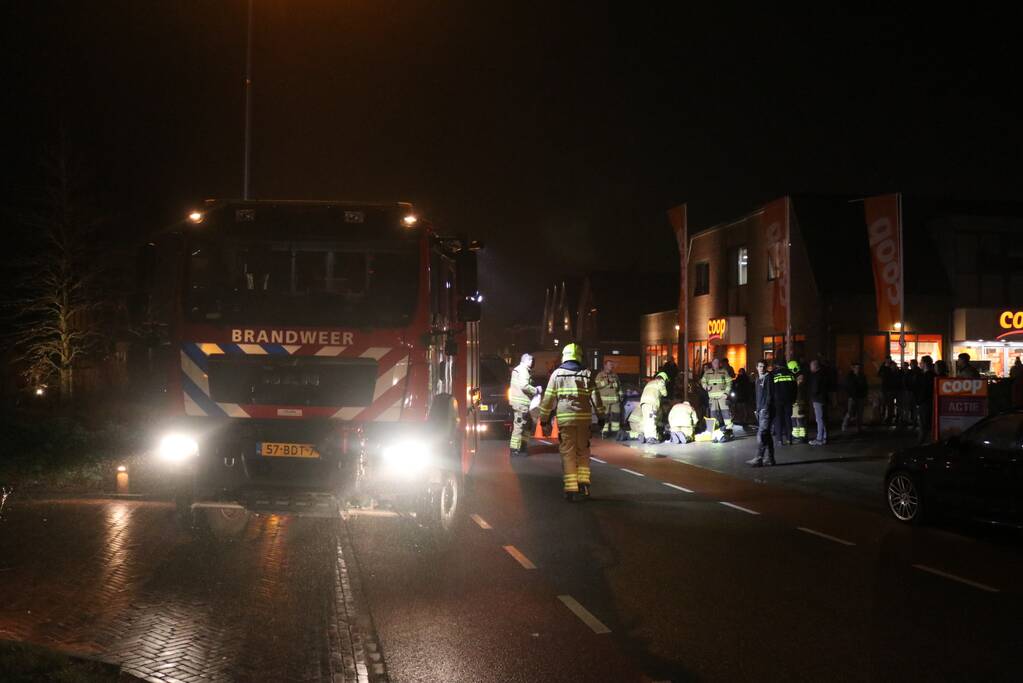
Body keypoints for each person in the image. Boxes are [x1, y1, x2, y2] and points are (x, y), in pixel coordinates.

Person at [539, 343, 603, 502]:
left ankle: (571, 489)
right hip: (584, 421)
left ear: (564, 356)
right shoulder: (587, 374)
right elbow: (596, 398)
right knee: (583, 452)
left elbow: (548, 399)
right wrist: (601, 416)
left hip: (566, 420)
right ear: (579, 357)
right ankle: (584, 485)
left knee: (568, 453)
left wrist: (544, 419)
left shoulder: (557, 374)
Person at [508, 353, 539, 456]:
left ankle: (522, 446)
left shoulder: (519, 369)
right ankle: (515, 449)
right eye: (531, 361)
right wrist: (536, 390)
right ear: (527, 361)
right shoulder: (523, 370)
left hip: (520, 404)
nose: (533, 363)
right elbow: (524, 386)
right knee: (519, 426)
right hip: (521, 404)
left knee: (527, 425)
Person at [749, 360, 777, 467]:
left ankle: (759, 458)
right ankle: (770, 459)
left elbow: (769, 395)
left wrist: (765, 408)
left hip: (766, 410)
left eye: (763, 366)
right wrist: (757, 409)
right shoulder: (758, 379)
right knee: (767, 434)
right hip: (761, 410)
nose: (762, 368)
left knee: (762, 434)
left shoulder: (768, 378)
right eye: (760, 366)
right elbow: (758, 395)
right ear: (756, 367)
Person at [701, 357, 734, 442]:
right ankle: (715, 433)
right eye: (714, 363)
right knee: (713, 415)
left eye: (717, 363)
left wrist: (726, 393)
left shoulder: (724, 372)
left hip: (722, 397)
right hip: (712, 398)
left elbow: (729, 382)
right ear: (712, 364)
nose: (716, 364)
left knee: (726, 414)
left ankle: (729, 431)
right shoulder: (707, 373)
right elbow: (703, 381)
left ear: (719, 364)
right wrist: (706, 387)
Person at [636, 371, 669, 444]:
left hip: (644, 403)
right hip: (652, 403)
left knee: (647, 419)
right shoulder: (661, 382)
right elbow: (665, 393)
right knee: (651, 419)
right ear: (664, 379)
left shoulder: (650, 382)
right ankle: (651, 438)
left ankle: (645, 435)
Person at [594, 359, 622, 437]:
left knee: (616, 415)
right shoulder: (600, 375)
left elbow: (619, 386)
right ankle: (604, 431)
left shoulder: (615, 375)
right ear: (605, 365)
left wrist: (621, 394)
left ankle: (615, 431)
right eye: (610, 364)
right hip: (604, 401)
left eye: (612, 365)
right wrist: (607, 381)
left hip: (615, 400)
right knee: (605, 416)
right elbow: (597, 385)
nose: (611, 366)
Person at [771, 358, 796, 445]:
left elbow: (772, 389)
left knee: (778, 419)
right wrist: (793, 399)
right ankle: (789, 439)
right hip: (789, 400)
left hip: (777, 401)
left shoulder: (774, 374)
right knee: (788, 419)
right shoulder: (791, 374)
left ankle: (779, 440)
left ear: (777, 365)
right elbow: (794, 388)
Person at [915, 355, 937, 444]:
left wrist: (919, 402)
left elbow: (924, 391)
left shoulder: (927, 376)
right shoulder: (932, 375)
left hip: (925, 404)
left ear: (924, 363)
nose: (920, 363)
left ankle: (921, 444)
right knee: (926, 425)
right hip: (928, 403)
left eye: (921, 362)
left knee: (924, 425)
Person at [841, 361, 868, 432]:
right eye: (856, 368)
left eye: (858, 368)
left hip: (860, 397)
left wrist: (865, 395)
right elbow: (847, 387)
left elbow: (865, 386)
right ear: (853, 368)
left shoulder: (862, 376)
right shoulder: (849, 376)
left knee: (860, 413)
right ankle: (844, 425)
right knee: (850, 412)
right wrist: (850, 395)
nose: (857, 369)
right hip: (852, 397)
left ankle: (859, 427)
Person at [808, 359, 829, 446]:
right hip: (823, 399)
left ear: (815, 366)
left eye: (811, 366)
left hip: (817, 400)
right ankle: (824, 437)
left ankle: (819, 438)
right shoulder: (823, 374)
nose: (810, 368)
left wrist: (811, 394)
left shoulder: (816, 376)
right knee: (823, 419)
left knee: (819, 419)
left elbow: (815, 389)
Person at [789, 360, 808, 443]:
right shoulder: (799, 377)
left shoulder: (799, 378)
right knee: (795, 419)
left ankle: (802, 437)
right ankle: (798, 436)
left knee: (800, 420)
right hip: (796, 403)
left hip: (798, 402)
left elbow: (799, 392)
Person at [878, 357, 900, 426]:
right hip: (886, 389)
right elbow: (879, 374)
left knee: (890, 405)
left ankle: (889, 418)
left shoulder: (891, 370)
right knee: (885, 404)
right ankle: (885, 417)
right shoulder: (885, 368)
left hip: (890, 389)